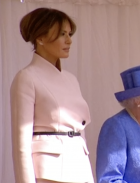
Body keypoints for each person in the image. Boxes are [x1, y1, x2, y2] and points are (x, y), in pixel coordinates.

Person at [10, 8, 94, 183]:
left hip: (80, 170)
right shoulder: (27, 77)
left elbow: (79, 132)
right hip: (49, 173)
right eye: (62, 34)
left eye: (69, 34)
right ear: (40, 38)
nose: (69, 40)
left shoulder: (72, 80)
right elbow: (21, 145)